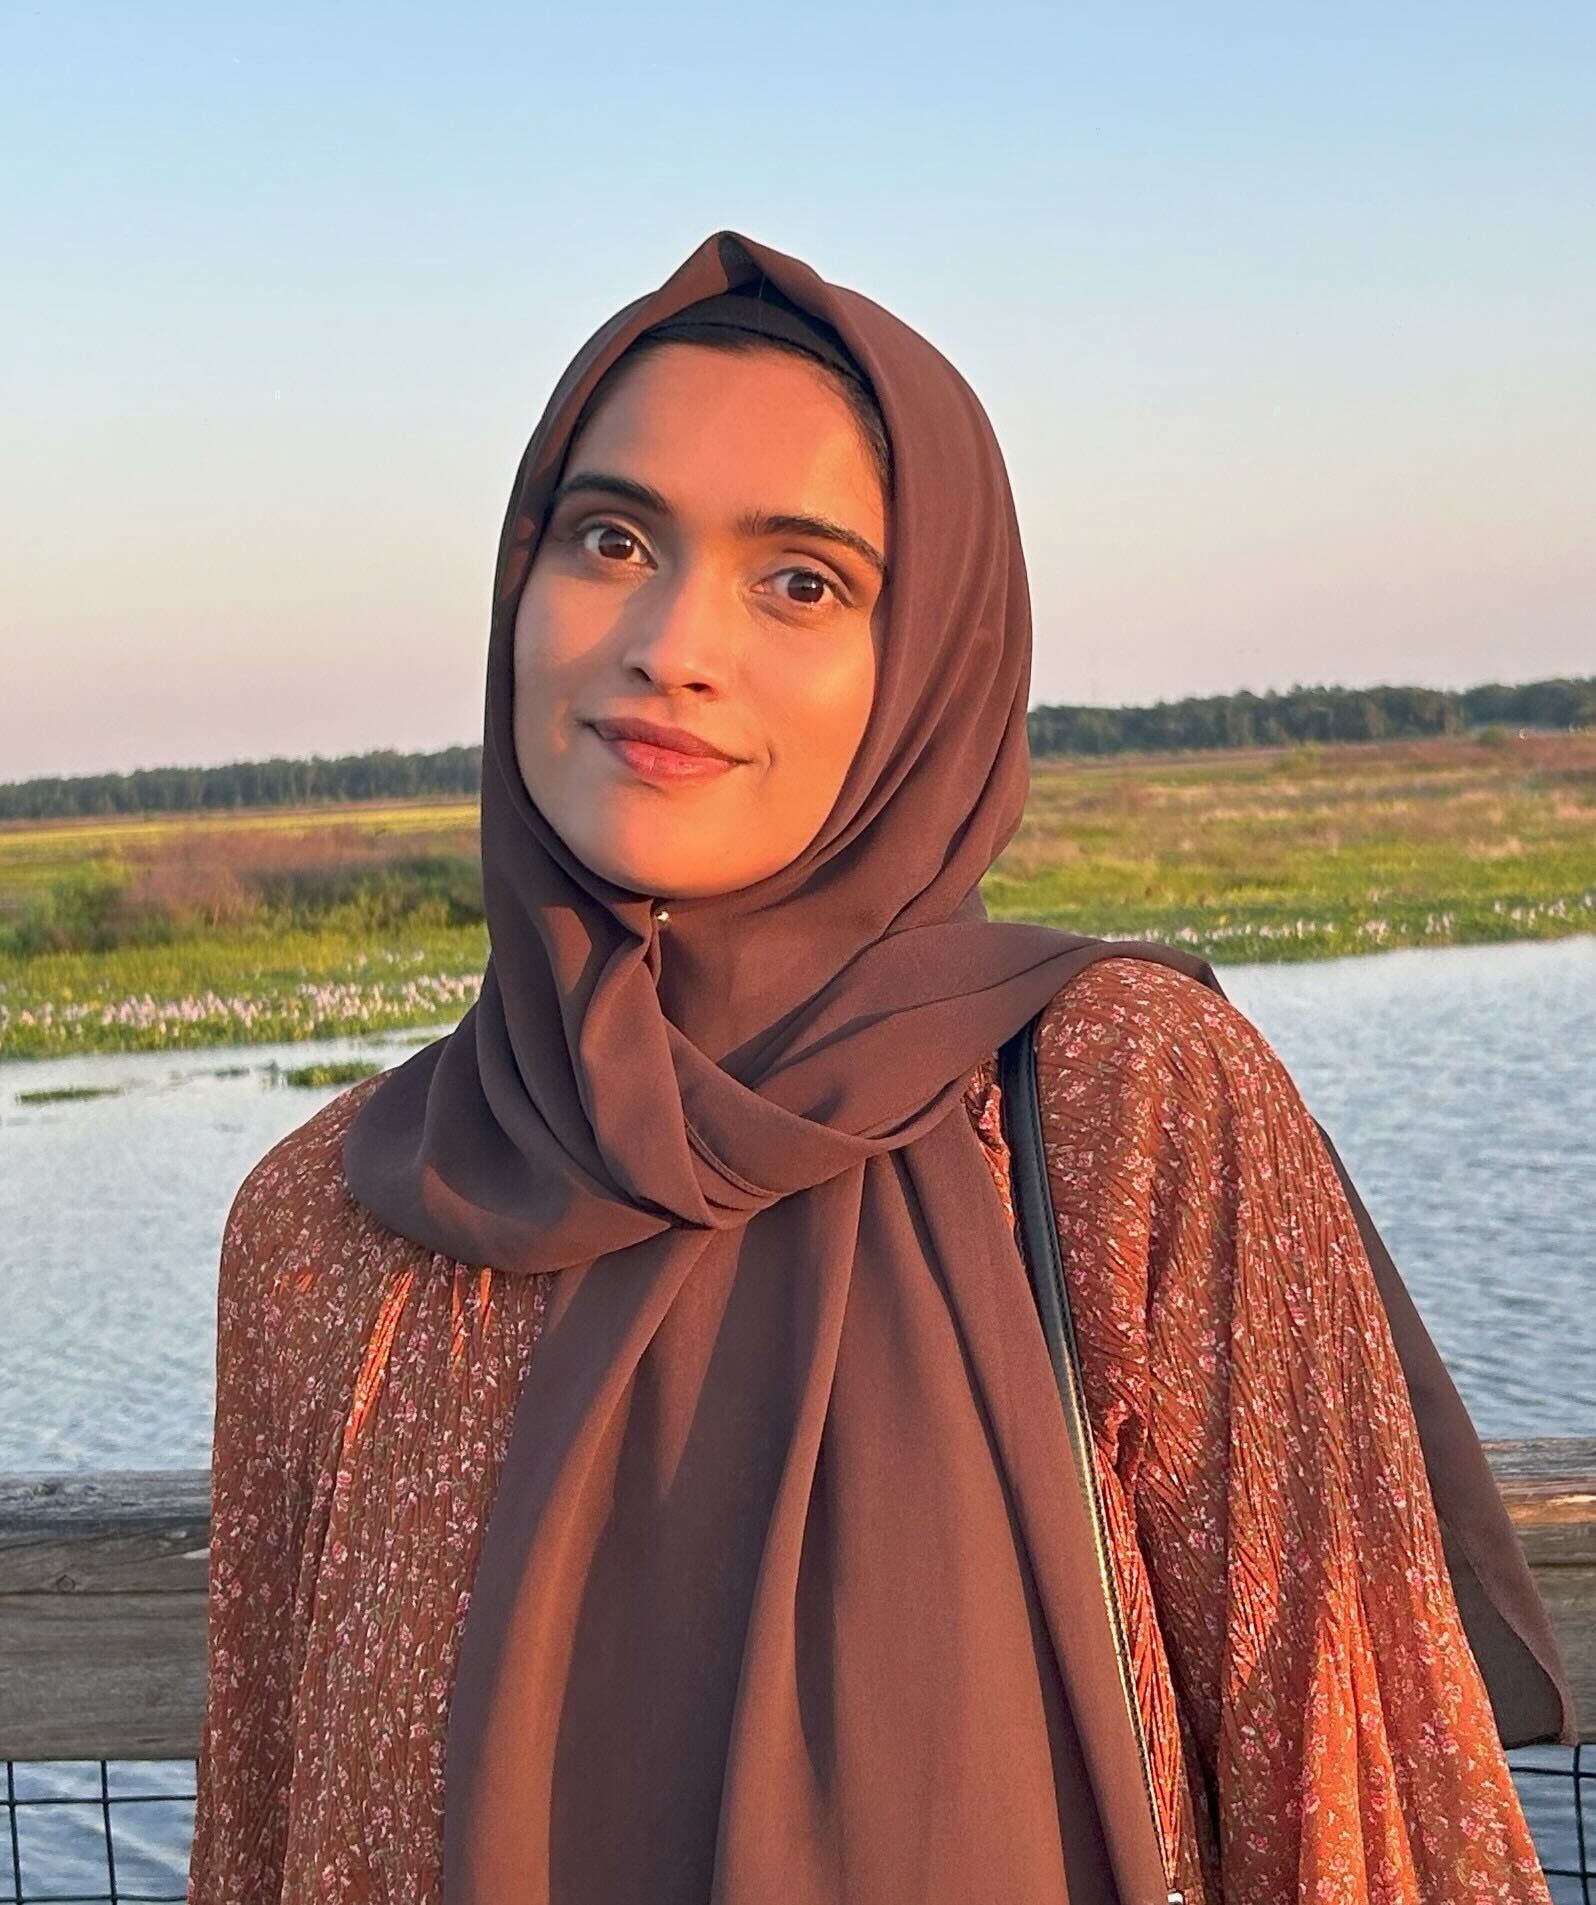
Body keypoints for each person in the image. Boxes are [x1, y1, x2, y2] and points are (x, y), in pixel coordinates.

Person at [186, 230, 1575, 1905]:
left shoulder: (1120, 1105)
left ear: (931, 672)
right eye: (610, 536)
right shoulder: (331, 1228)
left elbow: (1350, 1816)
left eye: (802, 579)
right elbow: (262, 1838)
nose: (672, 641)